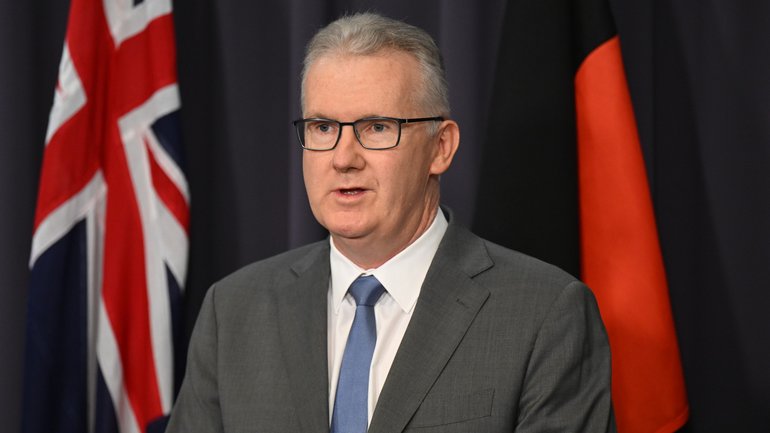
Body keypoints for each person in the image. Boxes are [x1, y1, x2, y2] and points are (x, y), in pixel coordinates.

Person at [166, 12, 615, 433]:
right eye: (323, 127)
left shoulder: (545, 314)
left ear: (441, 147)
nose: (343, 159)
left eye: (377, 127)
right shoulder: (233, 312)